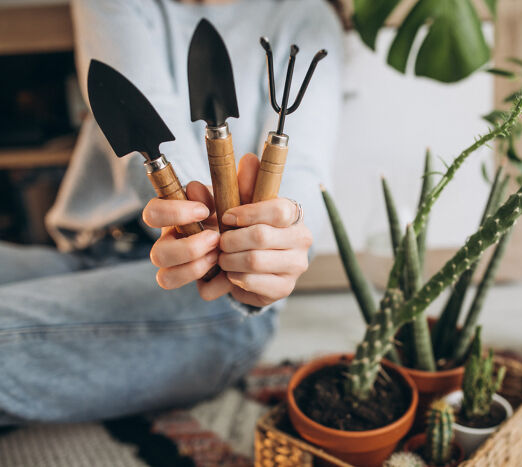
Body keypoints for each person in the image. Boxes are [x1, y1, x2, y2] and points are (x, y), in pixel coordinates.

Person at [0, 0, 342, 425]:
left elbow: (304, 172)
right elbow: (150, 122)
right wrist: (195, 215)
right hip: (93, 253)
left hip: (218, 290)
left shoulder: (305, 14)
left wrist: (270, 237)